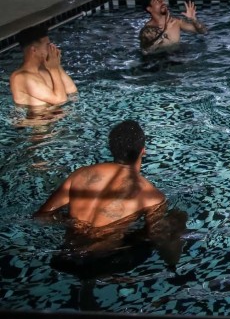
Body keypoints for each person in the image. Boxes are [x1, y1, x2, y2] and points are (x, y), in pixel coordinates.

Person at [34, 119, 187, 277]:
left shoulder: (80, 174)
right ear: (143, 151)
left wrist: (70, 222)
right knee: (177, 217)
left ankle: (86, 287)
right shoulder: (152, 196)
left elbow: (42, 217)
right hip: (104, 262)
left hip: (63, 257)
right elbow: (156, 235)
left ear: (111, 149)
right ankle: (174, 270)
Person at [9, 24, 78, 107]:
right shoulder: (21, 77)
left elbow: (72, 92)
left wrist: (57, 65)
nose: (52, 48)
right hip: (37, 119)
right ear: (34, 50)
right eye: (48, 45)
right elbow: (60, 100)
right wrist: (54, 70)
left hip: (58, 117)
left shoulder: (47, 68)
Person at [139, 0, 208, 54]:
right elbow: (145, 51)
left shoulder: (175, 22)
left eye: (163, 0)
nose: (162, 2)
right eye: (157, 1)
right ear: (149, 8)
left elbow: (203, 31)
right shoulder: (147, 30)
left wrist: (194, 19)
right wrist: (165, 32)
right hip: (158, 62)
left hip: (177, 56)